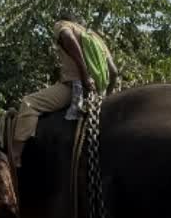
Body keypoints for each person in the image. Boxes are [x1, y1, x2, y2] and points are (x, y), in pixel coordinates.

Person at [12, 15, 119, 165]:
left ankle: (15, 155)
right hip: (98, 94)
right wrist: (106, 96)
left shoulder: (63, 25)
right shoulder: (96, 38)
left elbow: (67, 37)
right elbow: (114, 72)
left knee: (29, 103)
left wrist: (84, 75)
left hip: (73, 89)